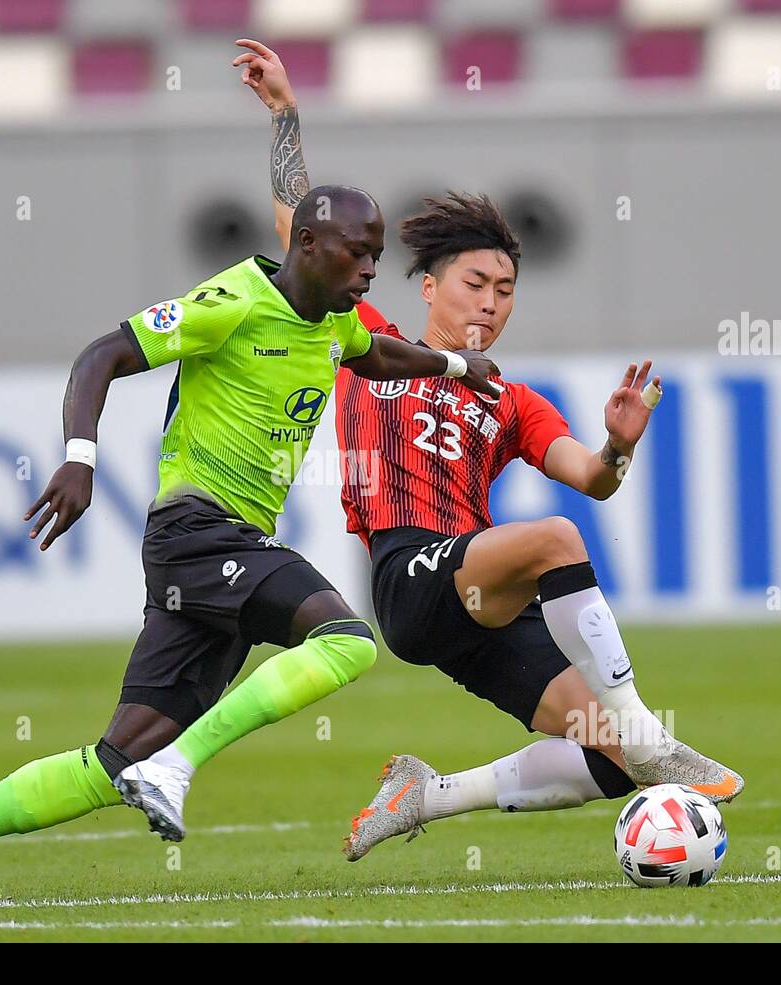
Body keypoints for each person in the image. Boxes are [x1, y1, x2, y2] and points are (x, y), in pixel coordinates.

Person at [0, 182, 502, 905]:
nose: (371, 270)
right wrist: (79, 458)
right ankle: (177, 767)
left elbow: (374, 356)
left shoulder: (332, 322)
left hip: (220, 554)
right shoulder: (232, 303)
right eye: (357, 253)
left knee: (113, 760)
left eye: (376, 256)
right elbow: (101, 356)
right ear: (307, 246)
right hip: (197, 532)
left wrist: (459, 367)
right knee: (347, 641)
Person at [233, 38, 744, 862]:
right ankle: (656, 739)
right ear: (429, 287)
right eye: (476, 283)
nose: (492, 303)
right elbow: (301, 230)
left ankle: (426, 794)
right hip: (413, 578)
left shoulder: (508, 397)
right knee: (557, 541)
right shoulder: (367, 343)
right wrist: (286, 114)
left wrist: (615, 448)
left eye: (506, 290)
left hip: (486, 605)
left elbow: (591, 479)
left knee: (607, 760)